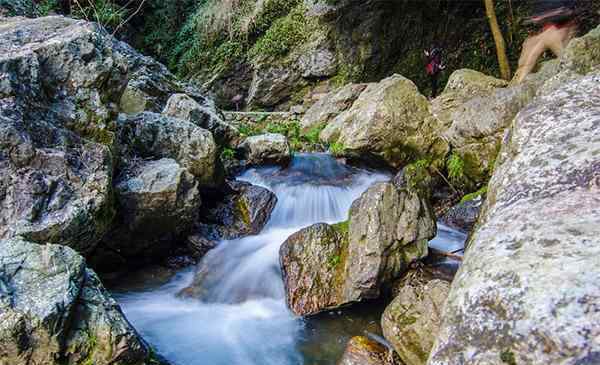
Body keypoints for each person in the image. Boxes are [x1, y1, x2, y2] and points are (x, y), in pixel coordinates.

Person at [513, 0, 578, 83]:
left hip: (557, 25)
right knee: (531, 56)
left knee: (532, 56)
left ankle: (519, 81)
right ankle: (519, 81)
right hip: (556, 24)